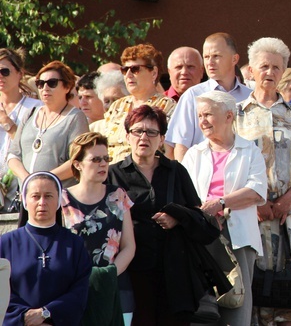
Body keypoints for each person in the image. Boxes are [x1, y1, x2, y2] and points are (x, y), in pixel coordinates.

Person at [108, 105, 220, 325]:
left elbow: (200, 218)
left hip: (174, 272)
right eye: (138, 131)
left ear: (161, 139)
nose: (144, 137)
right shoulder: (114, 174)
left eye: (151, 132)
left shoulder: (176, 171)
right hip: (131, 271)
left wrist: (178, 217)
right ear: (127, 135)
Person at [234, 37, 291, 325]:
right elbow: (230, 164)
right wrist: (256, 203)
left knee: (290, 290)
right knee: (256, 287)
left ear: (284, 72)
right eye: (264, 66)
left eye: (277, 67)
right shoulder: (236, 115)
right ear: (251, 71)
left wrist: (287, 200)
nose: (270, 72)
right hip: (251, 213)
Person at [182, 90, 268, 325]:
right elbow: (185, 194)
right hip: (203, 234)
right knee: (204, 303)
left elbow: (257, 191)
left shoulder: (250, 151)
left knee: (237, 299)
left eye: (208, 114)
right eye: (200, 116)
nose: (203, 121)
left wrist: (220, 204)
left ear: (229, 116)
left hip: (238, 234)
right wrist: (205, 214)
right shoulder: (194, 154)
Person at [62, 132, 136, 325]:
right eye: (95, 159)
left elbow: (129, 246)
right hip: (75, 288)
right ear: (77, 164)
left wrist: (108, 274)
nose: (103, 164)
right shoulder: (62, 200)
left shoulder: (118, 195)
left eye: (106, 159)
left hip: (116, 285)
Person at [0, 172, 92, 325]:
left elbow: (80, 291)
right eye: (35, 196)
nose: (42, 202)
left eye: (48, 196)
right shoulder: (5, 243)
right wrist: (23, 316)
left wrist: (48, 314)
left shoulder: (75, 244)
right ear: (24, 200)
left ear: (58, 201)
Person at [166, 33, 251, 161]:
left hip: (244, 172)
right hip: (202, 176)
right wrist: (186, 180)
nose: (210, 63)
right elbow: (180, 146)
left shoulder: (250, 96)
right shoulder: (193, 95)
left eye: (216, 56)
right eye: (206, 57)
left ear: (234, 59)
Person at [7, 61, 89, 185]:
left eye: (52, 83)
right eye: (40, 84)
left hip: (59, 195)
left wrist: (44, 179)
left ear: (67, 87)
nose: (45, 88)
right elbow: (13, 154)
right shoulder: (30, 113)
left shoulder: (75, 117)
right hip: (28, 196)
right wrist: (26, 178)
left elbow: (79, 159)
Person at [100, 43, 176, 163]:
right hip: (110, 175)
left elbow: (168, 152)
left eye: (135, 69)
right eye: (124, 70)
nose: (128, 75)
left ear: (154, 73)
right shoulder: (117, 105)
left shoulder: (167, 106)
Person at [0, 48, 42, 210]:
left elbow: (34, 146)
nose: (0, 76)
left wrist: (6, 122)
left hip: (20, 184)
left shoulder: (35, 108)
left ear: (20, 73)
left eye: (5, 71)